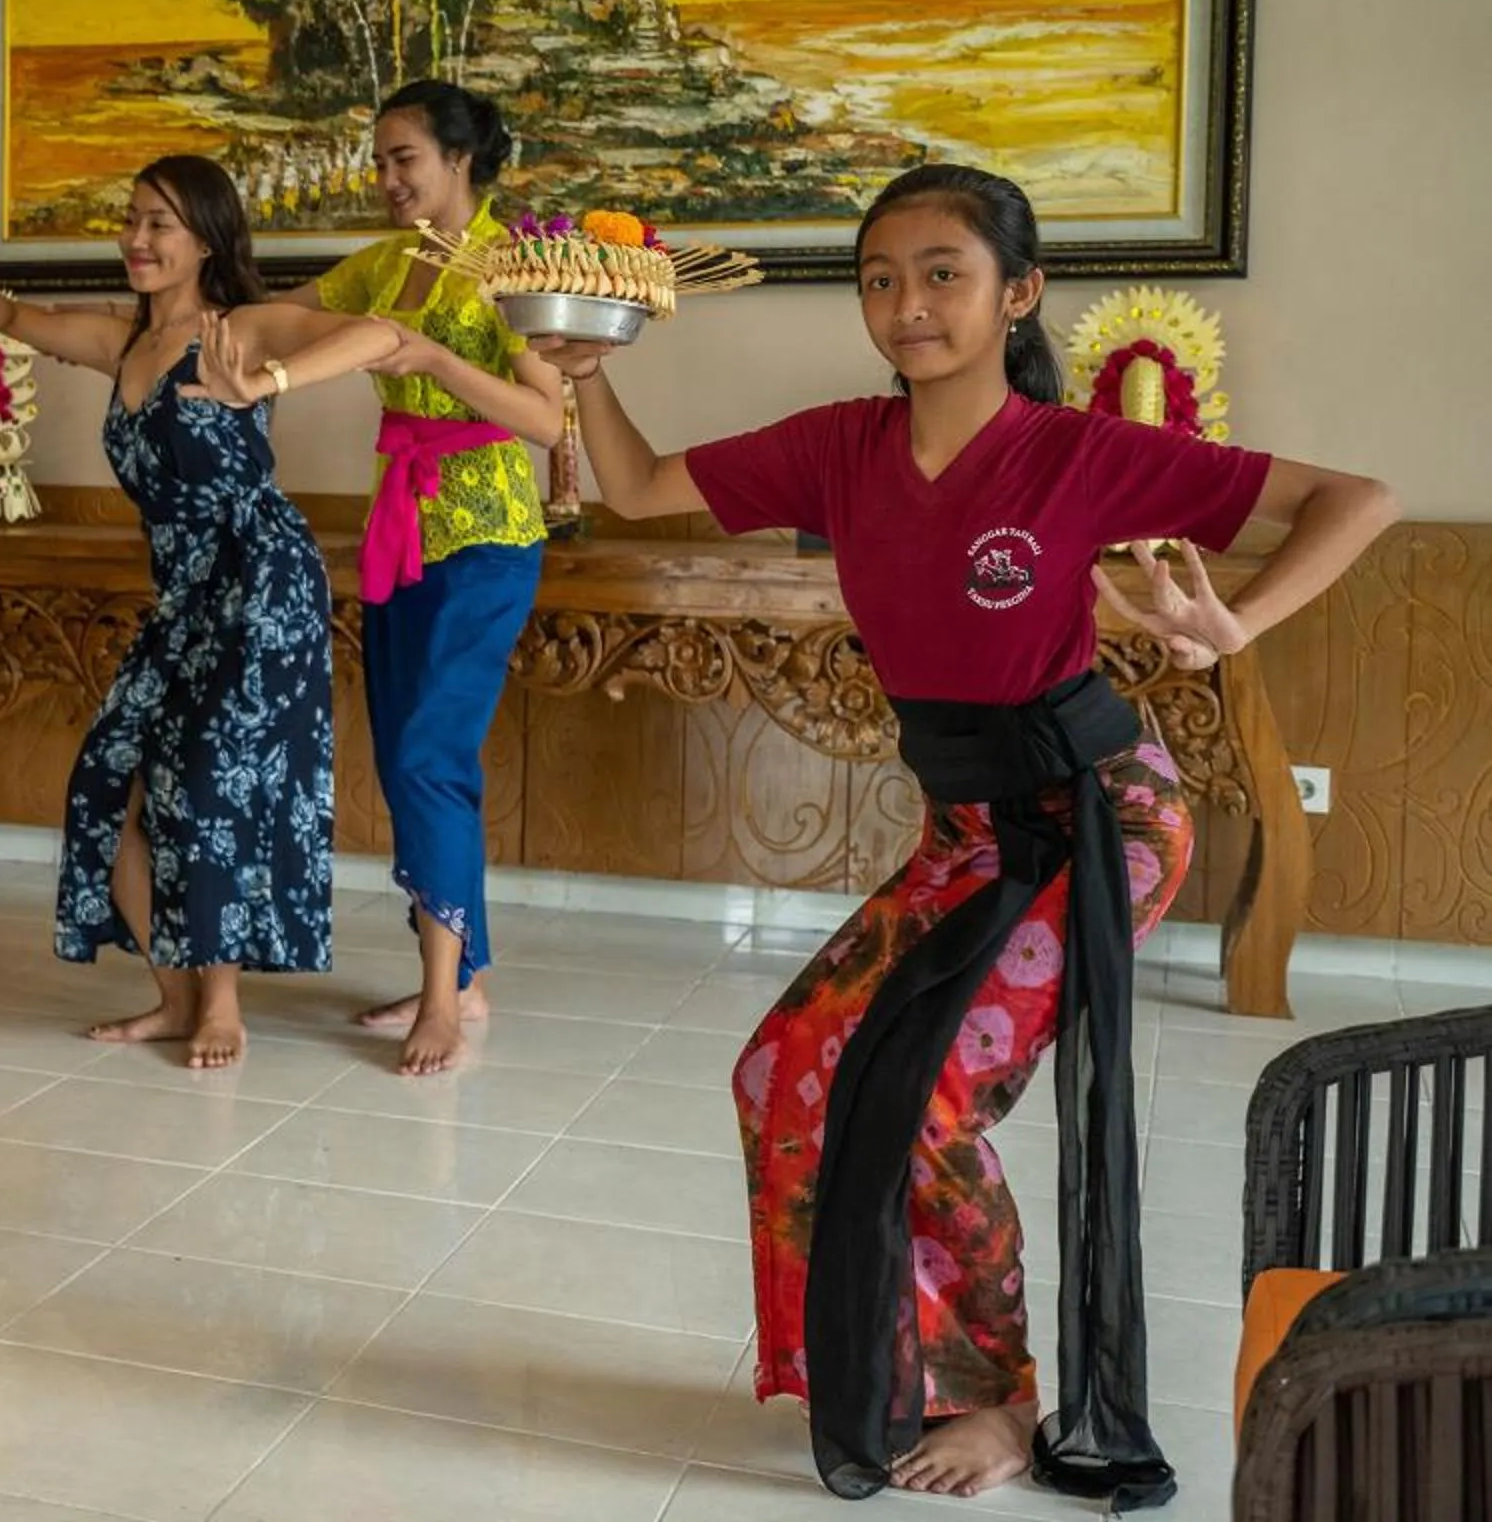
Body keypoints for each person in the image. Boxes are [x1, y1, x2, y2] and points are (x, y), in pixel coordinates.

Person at [551, 162, 1393, 1504]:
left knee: (934, 1091)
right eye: (881, 278)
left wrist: (1244, 621)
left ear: (1020, 293)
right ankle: (873, 1371)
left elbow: (1357, 497)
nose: (907, 304)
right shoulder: (839, 448)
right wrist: (583, 370)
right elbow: (642, 486)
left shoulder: (1078, 455)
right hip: (965, 835)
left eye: (942, 272)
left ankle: (1001, 1402)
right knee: (787, 1068)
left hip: (1100, 820)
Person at [0, 157, 399, 1069]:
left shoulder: (242, 329)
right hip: (184, 595)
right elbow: (27, 322)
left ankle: (222, 1005)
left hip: (263, 584)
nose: (137, 239)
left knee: (209, 782)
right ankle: (174, 998)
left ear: (207, 237)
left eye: (159, 224)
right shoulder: (123, 343)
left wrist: (271, 383)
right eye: (130, 219)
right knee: (106, 778)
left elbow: (379, 335)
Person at [278, 80, 565, 1075]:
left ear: (459, 159)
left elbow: (547, 418)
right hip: (398, 529)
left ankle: (444, 1000)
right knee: (404, 747)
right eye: (381, 158)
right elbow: (287, 320)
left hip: (484, 533)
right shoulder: (387, 263)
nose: (387, 176)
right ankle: (463, 971)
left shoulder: (512, 261)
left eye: (404, 157)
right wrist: (185, 306)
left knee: (427, 758)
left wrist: (438, 359)